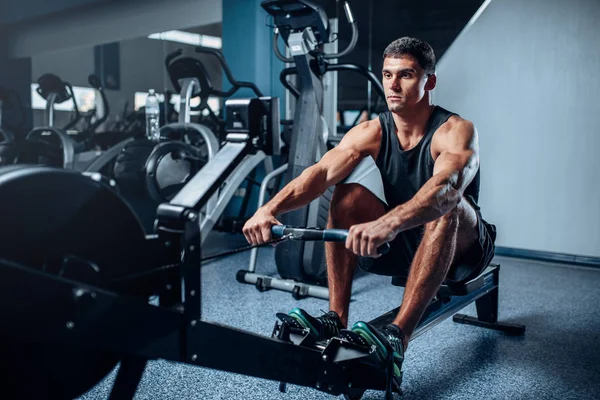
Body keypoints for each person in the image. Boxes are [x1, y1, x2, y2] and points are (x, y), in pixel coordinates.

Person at [242, 37, 496, 383]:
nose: (393, 85)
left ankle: (397, 339)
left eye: (406, 75)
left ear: (429, 81)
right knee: (345, 197)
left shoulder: (454, 130)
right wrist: (268, 209)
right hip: (408, 241)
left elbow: (447, 188)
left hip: (464, 252)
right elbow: (318, 175)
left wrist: (389, 222)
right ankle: (336, 316)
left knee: (446, 205)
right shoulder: (372, 131)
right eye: (387, 74)